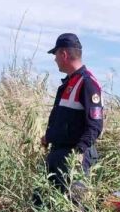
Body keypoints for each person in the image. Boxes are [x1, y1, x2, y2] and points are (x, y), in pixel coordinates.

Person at [41, 33, 103, 194]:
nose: (54, 59)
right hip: (59, 155)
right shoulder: (69, 83)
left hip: (73, 158)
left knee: (75, 210)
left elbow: (95, 126)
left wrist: (77, 154)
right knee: (43, 204)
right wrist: (49, 136)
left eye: (55, 55)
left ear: (64, 54)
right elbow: (67, 122)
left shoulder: (87, 83)